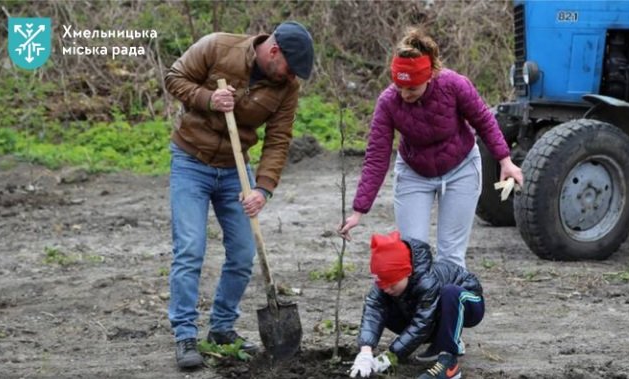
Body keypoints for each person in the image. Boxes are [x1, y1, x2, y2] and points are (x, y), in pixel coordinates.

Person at [164, 21, 314, 369]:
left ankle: (221, 328)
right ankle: (185, 334)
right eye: (290, 68)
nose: (291, 76)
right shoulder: (218, 47)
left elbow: (278, 139)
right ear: (274, 51)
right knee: (190, 248)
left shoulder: (287, 86)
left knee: (244, 252)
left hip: (236, 168)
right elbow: (175, 77)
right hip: (191, 161)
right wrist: (208, 99)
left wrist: (263, 189)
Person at [339, 27, 523, 269]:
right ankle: (422, 307)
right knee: (414, 257)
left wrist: (505, 160)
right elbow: (376, 156)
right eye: (399, 86)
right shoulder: (387, 102)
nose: (404, 94)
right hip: (414, 173)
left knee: (451, 258)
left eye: (412, 88)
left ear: (430, 76)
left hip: (461, 169)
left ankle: (450, 305)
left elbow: (484, 120)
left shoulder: (455, 85)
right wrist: (358, 211)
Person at [350, 231, 484, 379]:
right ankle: (439, 341)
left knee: (449, 293)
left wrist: (390, 356)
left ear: (407, 272)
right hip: (434, 315)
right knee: (381, 304)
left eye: (392, 284)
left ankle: (449, 363)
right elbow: (373, 311)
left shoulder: (426, 282)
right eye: (382, 284)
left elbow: (422, 323)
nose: (387, 288)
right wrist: (365, 351)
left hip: (468, 302)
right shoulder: (386, 283)